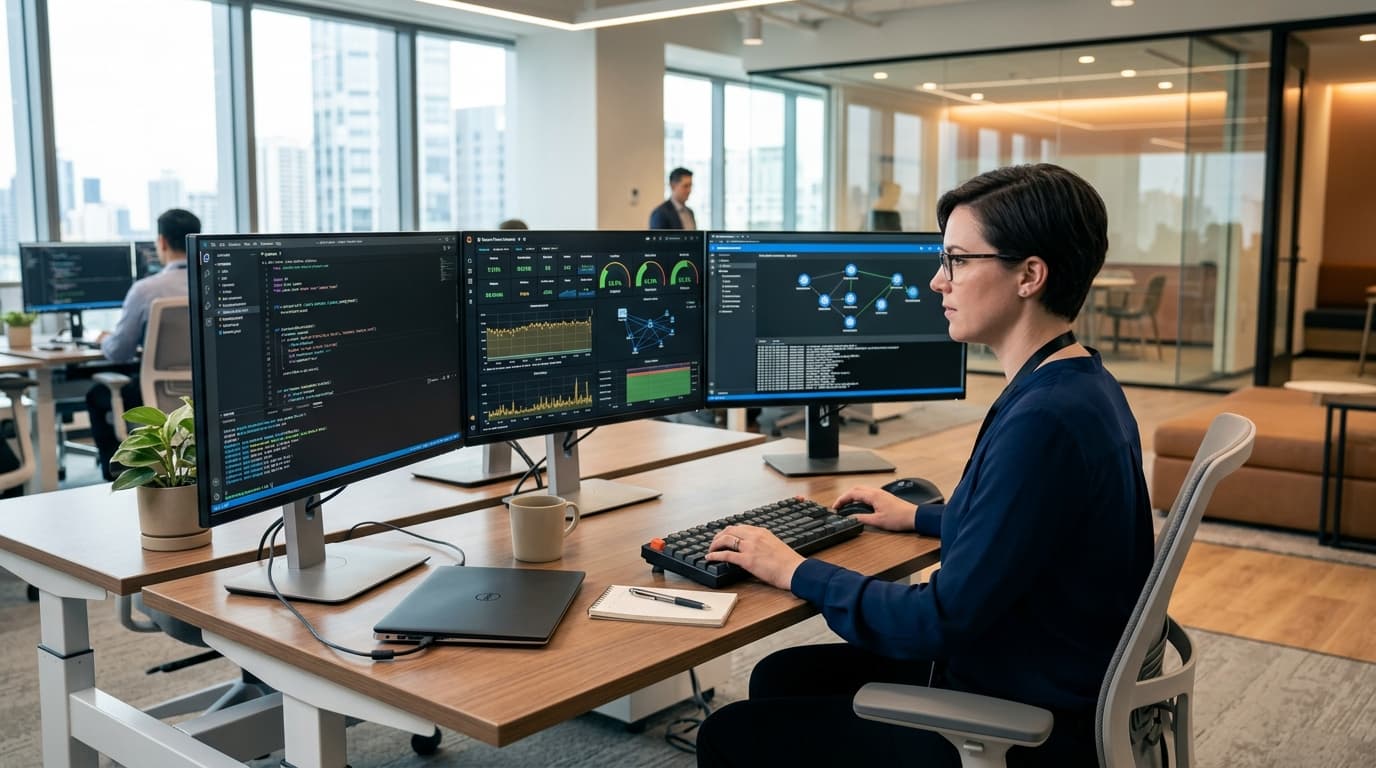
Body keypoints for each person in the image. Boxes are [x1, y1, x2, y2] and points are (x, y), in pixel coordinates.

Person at [695, 164, 1153, 767]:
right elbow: (1028, 526)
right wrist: (920, 516)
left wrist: (794, 569)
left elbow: (935, 621)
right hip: (1036, 667)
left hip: (1023, 719)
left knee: (728, 735)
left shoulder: (1044, 421)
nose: (938, 281)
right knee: (782, 675)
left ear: (1029, 275)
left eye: (957, 260)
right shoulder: (1079, 381)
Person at [85, 208, 200, 480]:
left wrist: (103, 339)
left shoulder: (146, 290)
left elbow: (118, 352)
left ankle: (117, 475)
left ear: (162, 241)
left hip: (160, 397)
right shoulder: (219, 281)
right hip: (209, 393)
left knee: (95, 396)